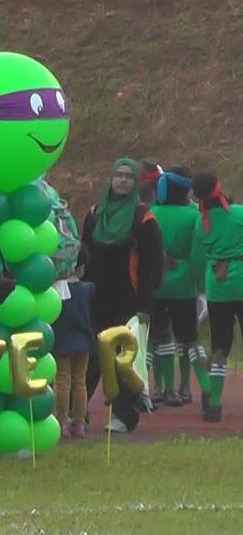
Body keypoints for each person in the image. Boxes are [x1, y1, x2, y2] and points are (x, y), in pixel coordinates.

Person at [81, 159, 163, 433]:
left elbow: (153, 265)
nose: (123, 181)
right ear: (111, 179)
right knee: (88, 355)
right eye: (119, 175)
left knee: (121, 360)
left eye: (129, 176)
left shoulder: (144, 218)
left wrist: (145, 305)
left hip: (129, 299)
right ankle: (77, 413)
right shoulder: (94, 214)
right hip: (95, 297)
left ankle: (124, 416)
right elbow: (86, 256)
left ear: (136, 182)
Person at [149, 168, 209, 407]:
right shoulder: (193, 216)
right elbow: (198, 256)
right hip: (184, 286)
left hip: (157, 284)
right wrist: (199, 283)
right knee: (190, 339)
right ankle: (203, 388)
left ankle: (148, 388)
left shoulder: (152, 213)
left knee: (154, 338)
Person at [191, 173, 243, 423]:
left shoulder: (202, 222)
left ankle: (213, 404)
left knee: (220, 346)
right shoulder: (238, 214)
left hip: (217, 287)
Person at [53, 279, 94, 438]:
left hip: (62, 339)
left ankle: (61, 422)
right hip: (82, 339)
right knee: (80, 381)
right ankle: (79, 424)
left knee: (62, 380)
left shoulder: (56, 290)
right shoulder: (88, 288)